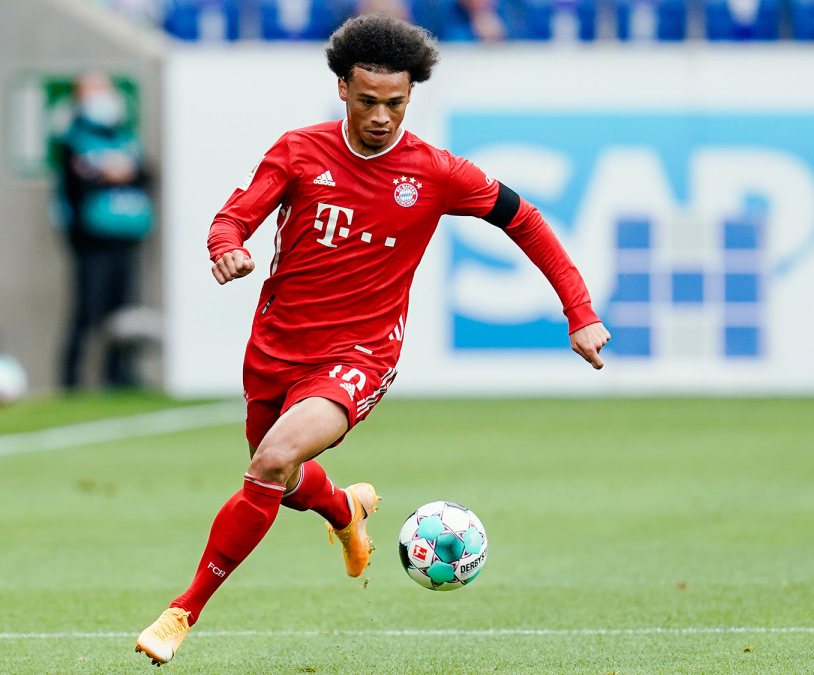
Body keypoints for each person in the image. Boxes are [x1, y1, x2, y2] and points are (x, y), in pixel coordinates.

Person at [134, 13, 609, 665]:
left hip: (360, 354)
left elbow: (523, 219)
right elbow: (233, 217)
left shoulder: (438, 173)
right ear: (342, 90)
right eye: (367, 101)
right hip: (275, 346)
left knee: (270, 462)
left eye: (396, 103)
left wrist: (578, 311)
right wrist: (227, 248)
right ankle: (344, 510)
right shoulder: (298, 151)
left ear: (411, 95)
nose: (382, 117)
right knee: (280, 475)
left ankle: (181, 611)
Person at [55, 71, 153, 391]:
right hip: (92, 240)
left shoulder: (125, 135)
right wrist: (105, 174)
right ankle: (71, 380)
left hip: (127, 238)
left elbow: (146, 173)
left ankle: (119, 375)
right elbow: (75, 185)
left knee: (123, 312)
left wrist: (125, 172)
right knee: (87, 310)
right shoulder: (74, 139)